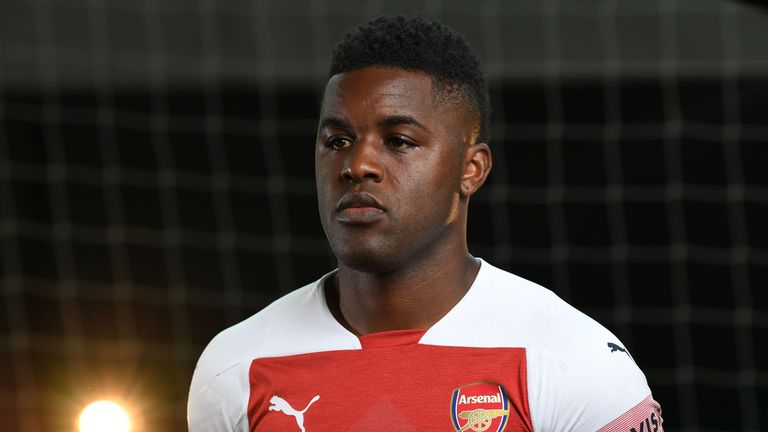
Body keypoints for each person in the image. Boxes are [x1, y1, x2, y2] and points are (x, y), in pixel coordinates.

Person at [188, 15, 663, 431]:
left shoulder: (572, 361)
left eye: (398, 140)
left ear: (470, 169)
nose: (358, 164)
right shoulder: (235, 365)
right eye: (337, 141)